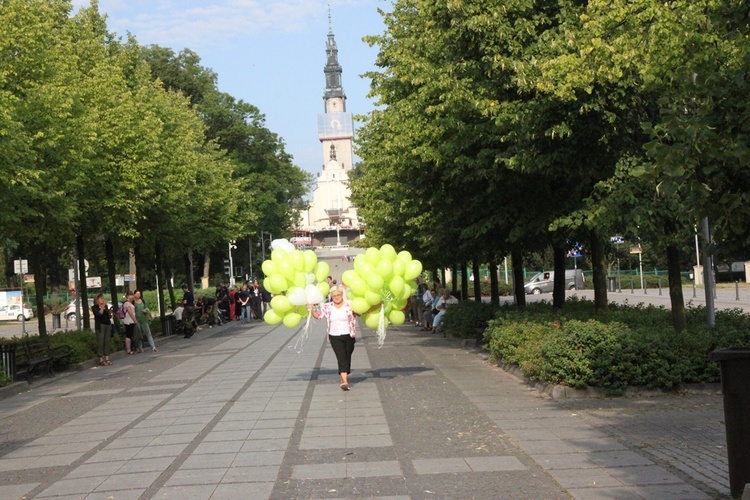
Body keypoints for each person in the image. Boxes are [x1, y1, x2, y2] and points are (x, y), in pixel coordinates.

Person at [307, 285, 371, 391]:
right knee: (341, 357)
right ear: (331, 296)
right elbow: (319, 316)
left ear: (342, 294)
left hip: (349, 334)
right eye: (334, 295)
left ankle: (343, 377)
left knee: (347, 356)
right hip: (334, 335)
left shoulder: (350, 304)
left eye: (338, 295)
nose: (336, 297)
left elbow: (363, 311)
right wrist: (311, 309)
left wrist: (377, 306)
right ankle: (345, 381)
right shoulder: (327, 306)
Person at [92, 294, 112, 366]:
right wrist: (103, 306)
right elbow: (99, 314)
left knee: (107, 341)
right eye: (100, 298)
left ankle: (107, 357)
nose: (102, 300)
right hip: (100, 325)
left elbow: (109, 316)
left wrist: (109, 311)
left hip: (107, 324)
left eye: (103, 298)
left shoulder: (105, 306)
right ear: (97, 300)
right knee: (101, 341)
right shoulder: (95, 307)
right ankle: (101, 358)